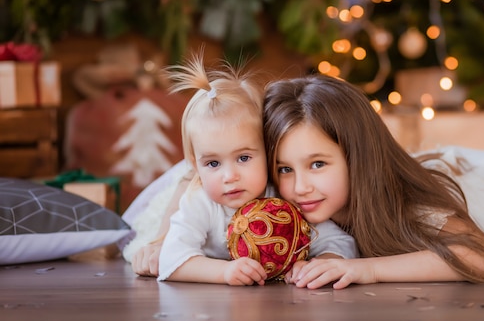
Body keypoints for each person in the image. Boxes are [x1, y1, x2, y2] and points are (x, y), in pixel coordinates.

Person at [262, 74, 484, 290]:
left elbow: (479, 259)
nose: (299, 187)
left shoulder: (407, 202)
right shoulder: (292, 205)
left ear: (357, 157)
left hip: (478, 184)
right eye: (284, 169)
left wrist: (366, 269)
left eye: (318, 164)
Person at [148, 57, 357, 285]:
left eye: (244, 158)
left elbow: (340, 242)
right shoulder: (201, 204)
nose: (229, 177)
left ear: (268, 153)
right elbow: (171, 259)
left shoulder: (281, 200)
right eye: (213, 164)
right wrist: (223, 273)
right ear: (195, 165)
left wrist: (319, 264)